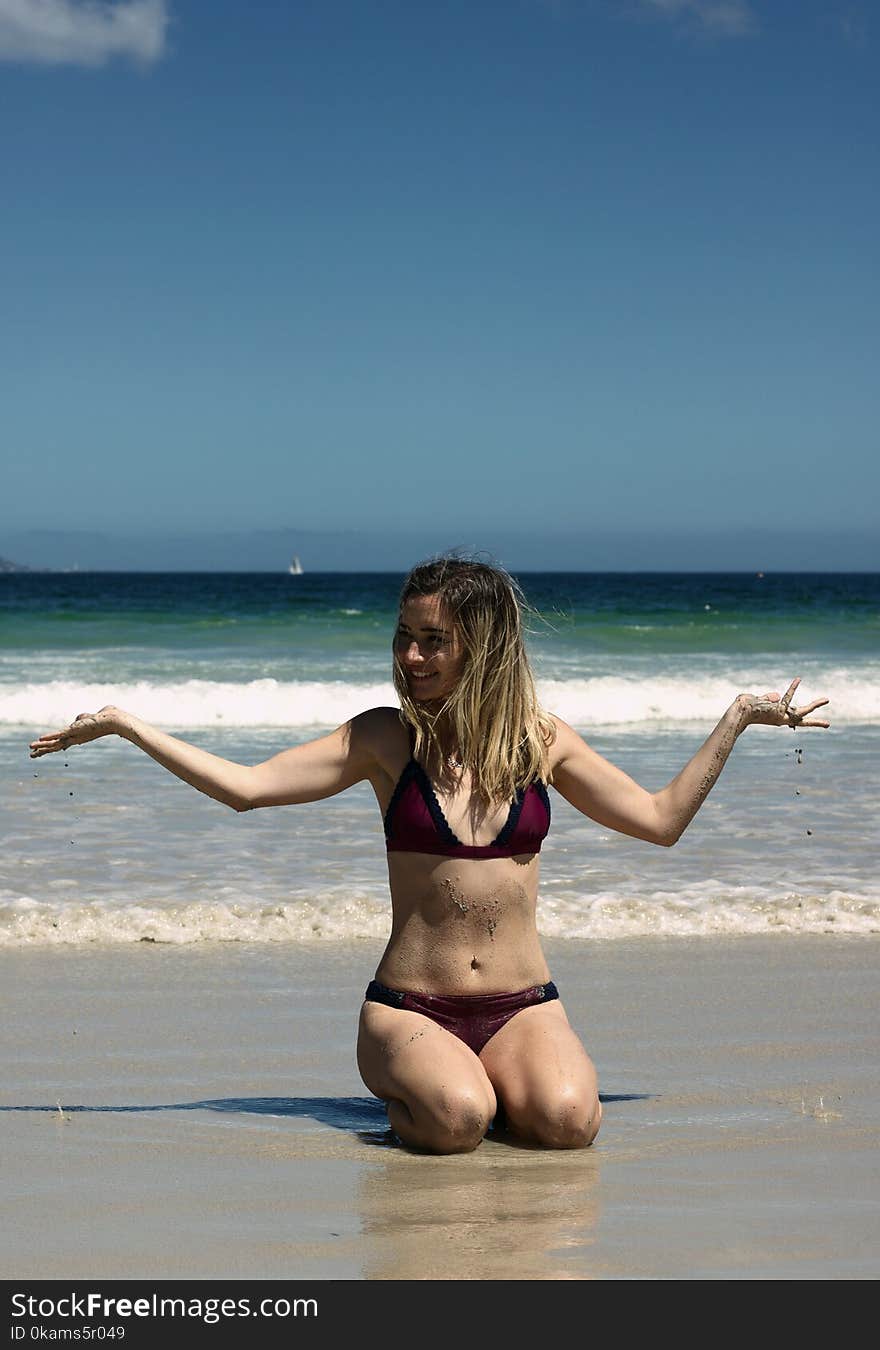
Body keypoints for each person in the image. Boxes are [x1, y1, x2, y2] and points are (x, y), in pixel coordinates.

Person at [28, 556, 830, 1155]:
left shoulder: (540, 742)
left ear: (479, 646)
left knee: (569, 1125)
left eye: (432, 641)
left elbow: (658, 821)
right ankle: (425, 1092)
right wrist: (129, 727)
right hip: (409, 1010)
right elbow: (245, 788)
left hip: (525, 1005)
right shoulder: (384, 738)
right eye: (404, 638)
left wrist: (738, 719)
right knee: (456, 1122)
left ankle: (492, 1084)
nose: (411, 657)